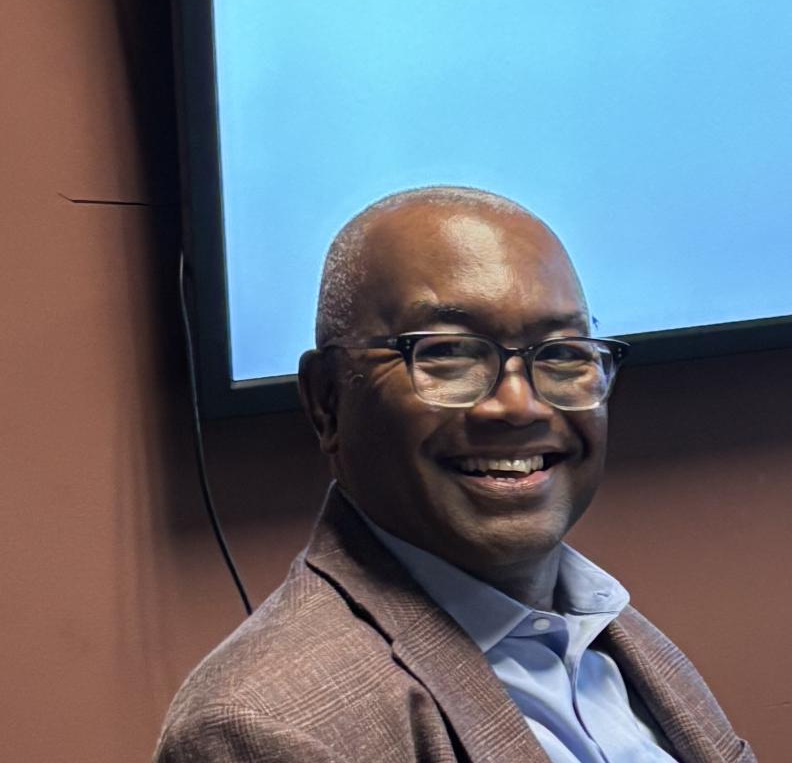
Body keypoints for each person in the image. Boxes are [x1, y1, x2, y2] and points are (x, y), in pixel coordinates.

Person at [157, 187, 755, 763]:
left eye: (564, 352)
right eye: (448, 353)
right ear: (327, 402)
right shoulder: (263, 730)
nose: (520, 406)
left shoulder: (605, 626)